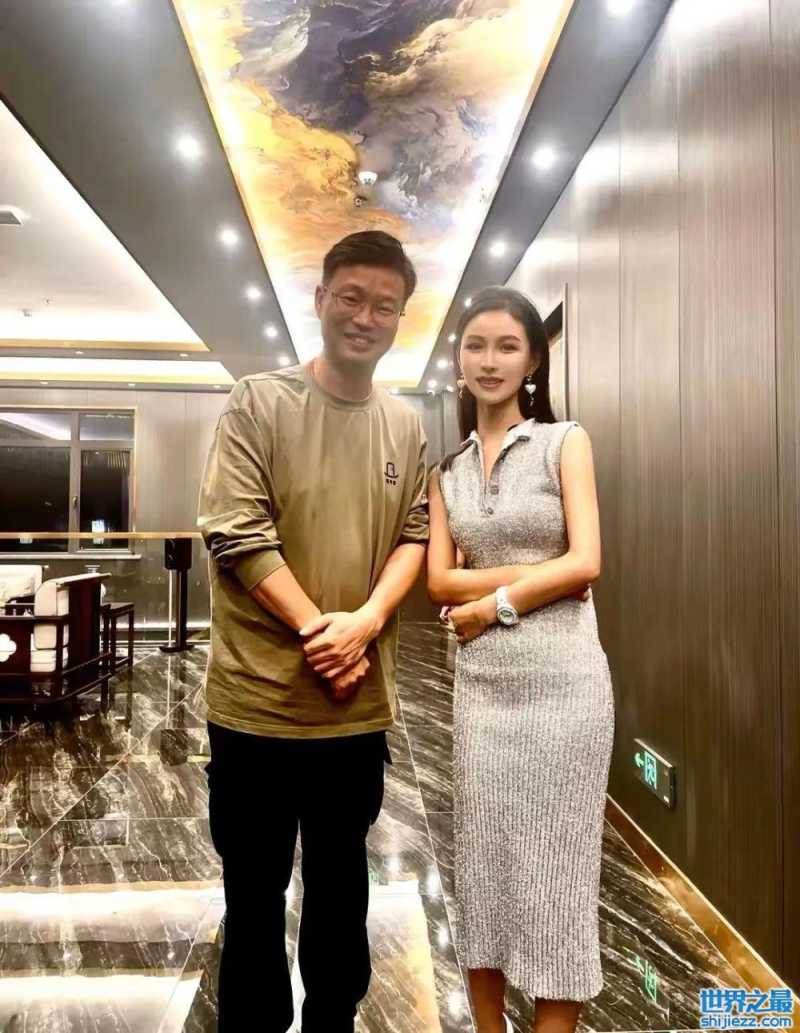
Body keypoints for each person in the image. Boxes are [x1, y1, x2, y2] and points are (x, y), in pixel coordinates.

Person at [197, 230, 429, 1033]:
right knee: (253, 895)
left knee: (341, 891)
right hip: (255, 708)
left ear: (400, 317)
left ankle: (334, 1021)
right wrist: (318, 631)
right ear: (321, 298)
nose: (365, 316)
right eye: (351, 297)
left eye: (385, 305)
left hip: (353, 711)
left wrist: (364, 622)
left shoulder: (405, 425)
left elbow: (415, 535)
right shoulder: (257, 403)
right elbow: (236, 532)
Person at [426, 286, 615, 1033]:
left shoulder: (566, 441)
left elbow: (588, 561)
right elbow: (439, 582)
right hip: (483, 691)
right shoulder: (446, 470)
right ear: (459, 360)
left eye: (508, 346)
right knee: (485, 865)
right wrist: (540, 574)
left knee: (559, 871)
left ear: (533, 359)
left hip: (567, 687)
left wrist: (493, 603)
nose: (490, 360)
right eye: (476, 345)